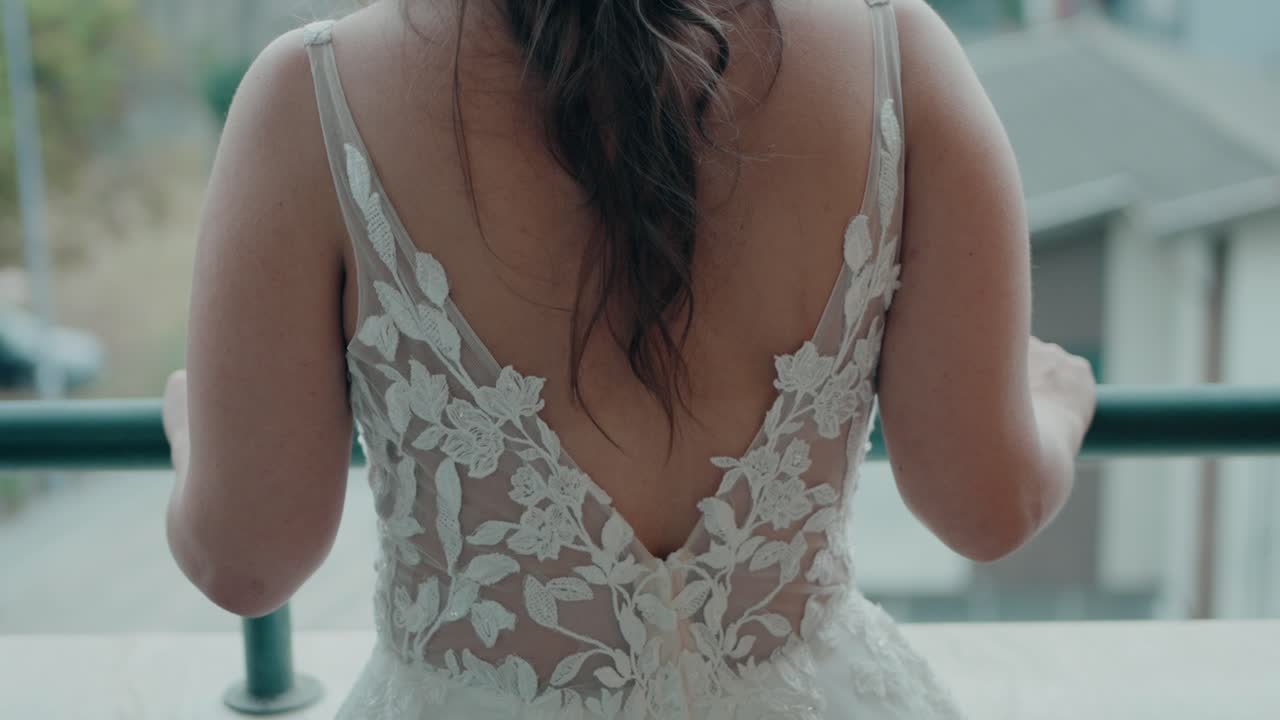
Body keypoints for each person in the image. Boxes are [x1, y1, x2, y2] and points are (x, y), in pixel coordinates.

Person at [162, 0, 1097, 717]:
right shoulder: (901, 53)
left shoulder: (309, 97)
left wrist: (192, 433)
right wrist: (1054, 402)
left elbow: (246, 559)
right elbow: (987, 503)